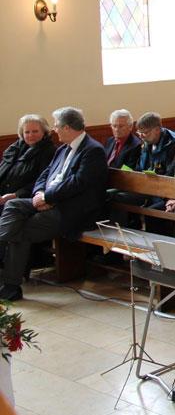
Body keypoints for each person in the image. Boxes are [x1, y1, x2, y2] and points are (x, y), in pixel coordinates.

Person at [0, 107, 107, 301]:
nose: (54, 130)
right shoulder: (63, 149)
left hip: (73, 211)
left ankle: (10, 286)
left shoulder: (93, 150)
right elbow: (45, 175)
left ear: (67, 127)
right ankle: (7, 274)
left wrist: (48, 198)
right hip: (51, 200)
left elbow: (78, 183)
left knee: (21, 231)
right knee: (13, 206)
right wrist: (39, 194)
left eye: (57, 126)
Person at [0, 115, 56, 202]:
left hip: (22, 198)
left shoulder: (49, 151)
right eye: (27, 132)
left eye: (35, 131)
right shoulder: (14, 149)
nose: (31, 135)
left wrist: (16, 195)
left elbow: (43, 181)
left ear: (44, 132)